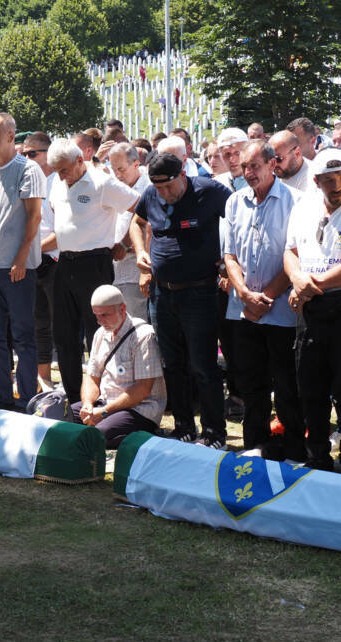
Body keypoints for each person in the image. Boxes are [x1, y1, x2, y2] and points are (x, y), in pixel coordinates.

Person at [129, 152, 231, 446]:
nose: (164, 194)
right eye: (159, 188)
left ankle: (214, 432)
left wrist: (228, 261)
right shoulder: (150, 194)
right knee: (172, 364)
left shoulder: (209, 191)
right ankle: (184, 427)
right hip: (162, 292)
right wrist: (140, 252)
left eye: (169, 187)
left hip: (199, 291)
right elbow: (137, 222)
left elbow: (238, 218)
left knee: (203, 365)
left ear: (183, 176)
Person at [284, 148, 341, 474]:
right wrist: (297, 280)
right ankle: (317, 457)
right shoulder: (303, 206)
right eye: (329, 180)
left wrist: (310, 285)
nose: (337, 185)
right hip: (310, 308)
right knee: (311, 388)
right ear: (316, 181)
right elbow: (290, 252)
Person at [223, 140, 305, 461]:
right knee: (251, 384)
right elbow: (229, 255)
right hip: (245, 312)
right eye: (244, 167)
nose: (248, 173)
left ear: (273, 164)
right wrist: (244, 293)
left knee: (287, 386)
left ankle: (295, 448)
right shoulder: (234, 202)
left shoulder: (296, 202)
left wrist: (266, 297)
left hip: (280, 311)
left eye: (254, 166)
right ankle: (254, 444)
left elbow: (295, 255)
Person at [47, 137, 139, 398]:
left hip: (94, 264)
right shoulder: (57, 181)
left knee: (98, 334)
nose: (62, 176)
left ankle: (103, 394)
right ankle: (74, 396)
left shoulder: (102, 182)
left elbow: (139, 206)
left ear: (80, 160)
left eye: (65, 169)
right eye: (57, 171)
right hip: (65, 262)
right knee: (64, 335)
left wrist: (124, 241)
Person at [0, 113, 45, 408]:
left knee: (23, 337)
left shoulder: (28, 169)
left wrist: (20, 257)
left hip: (19, 269)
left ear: (10, 135)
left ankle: (26, 398)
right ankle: (4, 396)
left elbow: (34, 217)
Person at [72, 285, 167, 449]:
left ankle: (139, 436)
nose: (100, 321)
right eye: (96, 316)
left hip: (139, 409)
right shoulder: (100, 333)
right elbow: (92, 377)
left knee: (97, 435)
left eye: (104, 315)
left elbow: (143, 389)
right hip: (106, 403)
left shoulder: (144, 335)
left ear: (122, 309)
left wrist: (104, 412)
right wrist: (87, 404)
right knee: (65, 416)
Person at [24, 131, 59, 389]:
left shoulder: (60, 181)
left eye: (32, 153)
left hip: (56, 260)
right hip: (33, 258)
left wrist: (34, 250)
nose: (27, 158)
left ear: (48, 153)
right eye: (24, 153)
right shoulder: (27, 180)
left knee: (63, 325)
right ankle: (43, 377)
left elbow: (64, 231)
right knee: (39, 323)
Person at [107, 143, 150, 321]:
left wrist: (125, 245)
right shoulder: (113, 185)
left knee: (136, 323)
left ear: (136, 164)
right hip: (115, 269)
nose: (118, 175)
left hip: (136, 271)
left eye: (121, 169)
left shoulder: (149, 188)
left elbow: (142, 221)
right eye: (114, 169)